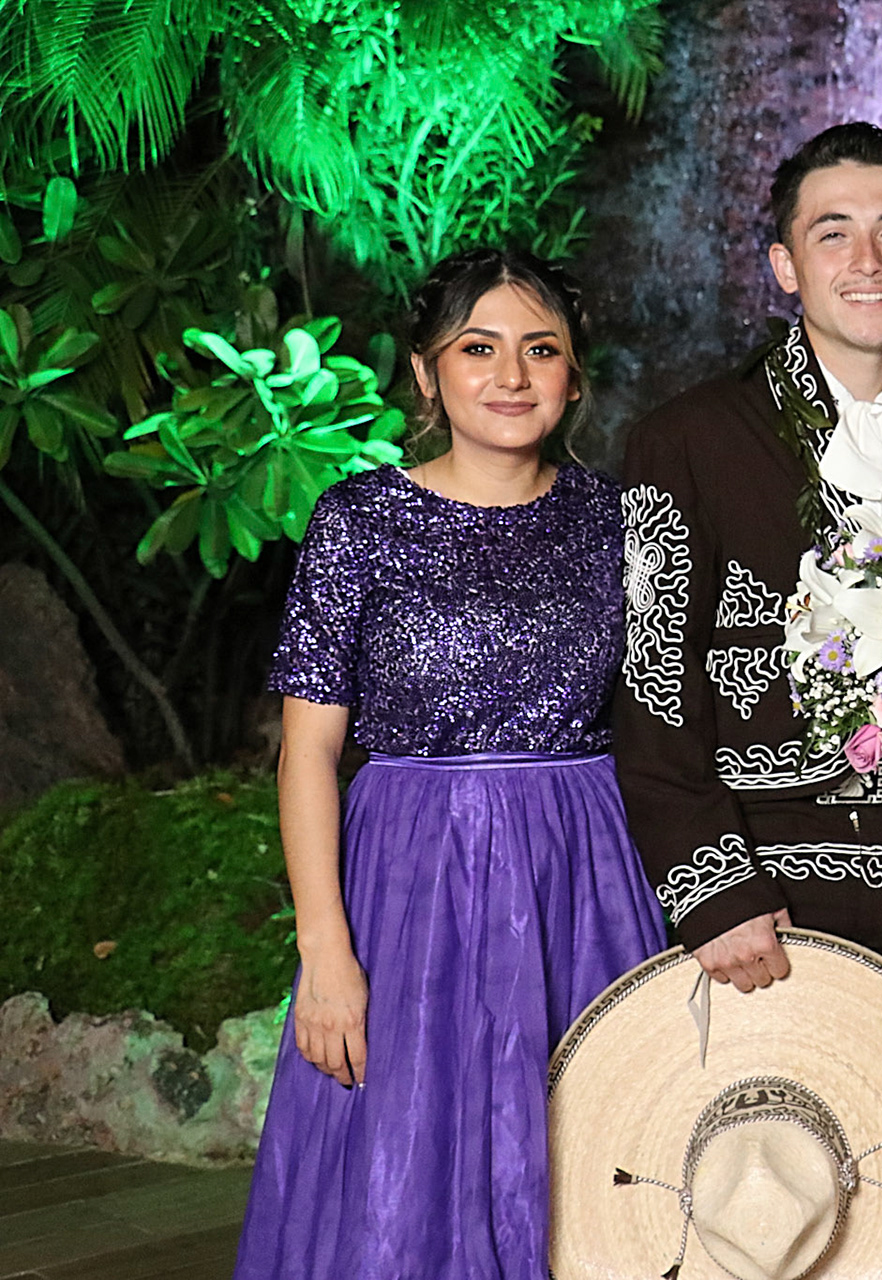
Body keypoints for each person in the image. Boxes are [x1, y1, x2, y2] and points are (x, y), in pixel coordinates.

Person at [234, 248, 669, 1279]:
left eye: (541, 349)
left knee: (603, 1159)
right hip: (410, 886)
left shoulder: (619, 520)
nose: (511, 374)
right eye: (478, 349)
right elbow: (309, 753)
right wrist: (325, 952)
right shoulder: (358, 522)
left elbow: (670, 715)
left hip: (582, 881)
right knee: (403, 1167)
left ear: (574, 376)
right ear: (427, 374)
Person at [615, 122, 882, 996]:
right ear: (786, 266)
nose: (867, 261)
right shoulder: (688, 438)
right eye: (832, 234)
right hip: (759, 894)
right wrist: (712, 891)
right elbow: (651, 682)